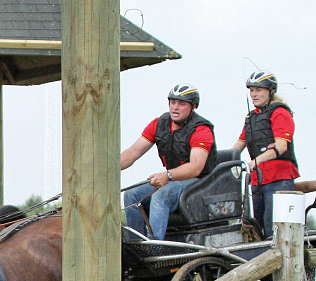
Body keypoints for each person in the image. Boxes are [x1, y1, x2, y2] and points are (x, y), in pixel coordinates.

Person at [121, 83, 217, 240]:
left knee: (162, 195)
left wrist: (168, 175)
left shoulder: (201, 130)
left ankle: (155, 245)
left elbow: (195, 167)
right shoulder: (159, 124)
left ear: (193, 107)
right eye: (172, 102)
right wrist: (107, 169)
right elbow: (133, 152)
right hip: (172, 178)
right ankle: (136, 244)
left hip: (198, 181)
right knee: (132, 195)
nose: (175, 107)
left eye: (181, 104)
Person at [230, 71, 298, 239]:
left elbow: (281, 146)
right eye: (252, 90)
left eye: (258, 90)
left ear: (270, 91)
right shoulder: (252, 117)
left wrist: (255, 161)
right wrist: (218, 163)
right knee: (258, 228)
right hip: (258, 180)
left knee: (272, 230)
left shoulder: (280, 112)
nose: (254, 94)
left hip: (278, 179)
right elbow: (237, 148)